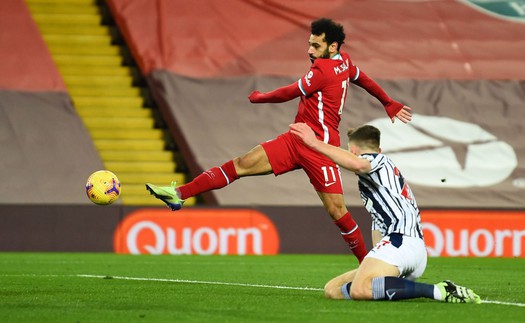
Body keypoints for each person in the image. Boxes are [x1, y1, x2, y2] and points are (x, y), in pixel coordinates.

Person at [145, 18, 412, 263]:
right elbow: (362, 78)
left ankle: (367, 265)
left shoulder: (323, 69)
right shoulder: (344, 61)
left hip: (320, 148)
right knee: (243, 163)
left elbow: (289, 92)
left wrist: (261, 98)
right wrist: (387, 102)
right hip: (295, 139)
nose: (309, 50)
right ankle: (179, 194)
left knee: (337, 211)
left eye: (315, 45)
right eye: (309, 44)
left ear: (332, 46)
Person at [289, 122, 481, 303]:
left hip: (402, 242)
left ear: (353, 151)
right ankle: (394, 286)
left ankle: (440, 290)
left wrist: (314, 143)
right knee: (333, 290)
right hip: (403, 247)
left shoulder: (377, 160)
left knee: (360, 289)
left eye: (350, 152)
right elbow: (377, 229)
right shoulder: (378, 188)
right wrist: (371, 263)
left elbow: (357, 164)